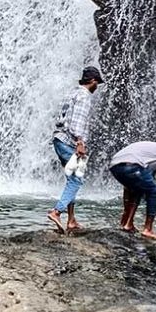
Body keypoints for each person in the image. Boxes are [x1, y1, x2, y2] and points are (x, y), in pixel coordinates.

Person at [47, 66, 104, 234]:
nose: (97, 87)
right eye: (97, 83)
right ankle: (57, 212)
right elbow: (77, 123)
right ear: (93, 81)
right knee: (76, 180)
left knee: (71, 179)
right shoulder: (84, 96)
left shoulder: (72, 93)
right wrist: (80, 142)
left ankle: (71, 220)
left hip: (59, 139)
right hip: (69, 142)